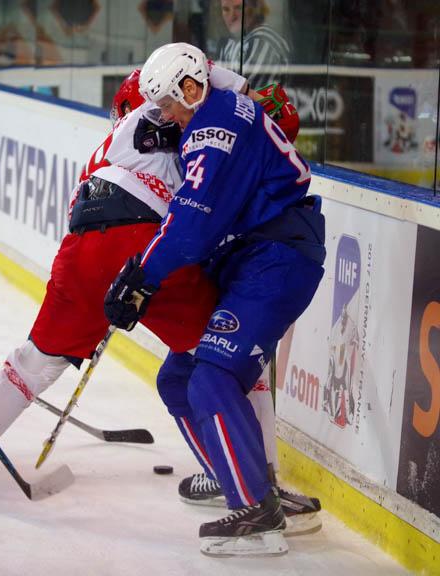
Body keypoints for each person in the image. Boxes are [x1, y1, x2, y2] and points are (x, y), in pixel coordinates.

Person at [104, 42, 325, 556]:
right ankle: (251, 488)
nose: (167, 117)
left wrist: (140, 275)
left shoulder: (212, 128)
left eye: (169, 104)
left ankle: (256, 508)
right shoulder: (220, 108)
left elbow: (191, 225)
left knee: (211, 378)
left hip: (274, 257)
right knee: (178, 378)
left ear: (189, 87)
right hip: (256, 256)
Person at [215, 0, 290, 89]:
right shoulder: (231, 42)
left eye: (239, 8)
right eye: (226, 9)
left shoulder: (262, 41)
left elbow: (247, 93)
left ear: (255, 9)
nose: (232, 16)